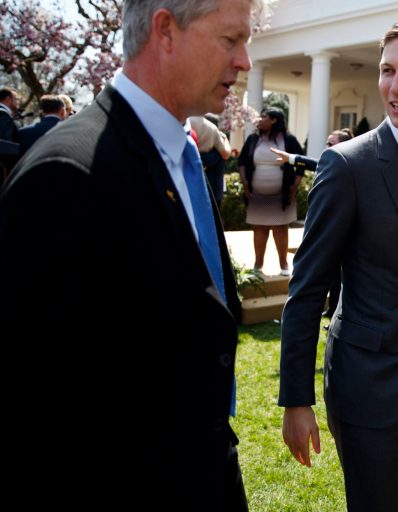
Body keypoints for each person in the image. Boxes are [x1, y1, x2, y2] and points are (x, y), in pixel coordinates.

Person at [0, 1, 255, 510]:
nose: (245, 60)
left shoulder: (183, 157)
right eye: (230, 40)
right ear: (165, 29)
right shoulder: (66, 175)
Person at [279, 17, 398, 512]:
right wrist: (296, 400)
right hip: (364, 385)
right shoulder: (347, 165)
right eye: (388, 71)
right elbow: (305, 289)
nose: (395, 86)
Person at [270, 127, 354, 317]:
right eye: (327, 142)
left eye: (331, 143)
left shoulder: (350, 165)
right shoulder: (334, 162)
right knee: (331, 274)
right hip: (330, 230)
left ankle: (339, 312)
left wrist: (291, 158)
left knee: (341, 275)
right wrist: (291, 158)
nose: (327, 147)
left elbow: (317, 164)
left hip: (345, 231)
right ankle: (332, 310)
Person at [238, 107, 304, 276]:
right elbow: (242, 162)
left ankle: (284, 266)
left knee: (281, 228)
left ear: (274, 120)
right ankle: (258, 266)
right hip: (257, 195)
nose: (260, 119)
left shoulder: (288, 140)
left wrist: (294, 187)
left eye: (264, 117)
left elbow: (300, 164)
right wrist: (245, 184)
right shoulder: (253, 139)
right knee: (259, 228)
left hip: (282, 195)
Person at [191, 114, 232, 207]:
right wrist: (226, 141)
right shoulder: (216, 137)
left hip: (205, 190)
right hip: (213, 191)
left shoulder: (186, 121)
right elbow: (226, 154)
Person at [0, 87, 20, 184]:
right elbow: (5, 144)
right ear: (8, 99)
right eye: (16, 99)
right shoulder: (3, 116)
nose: (18, 102)